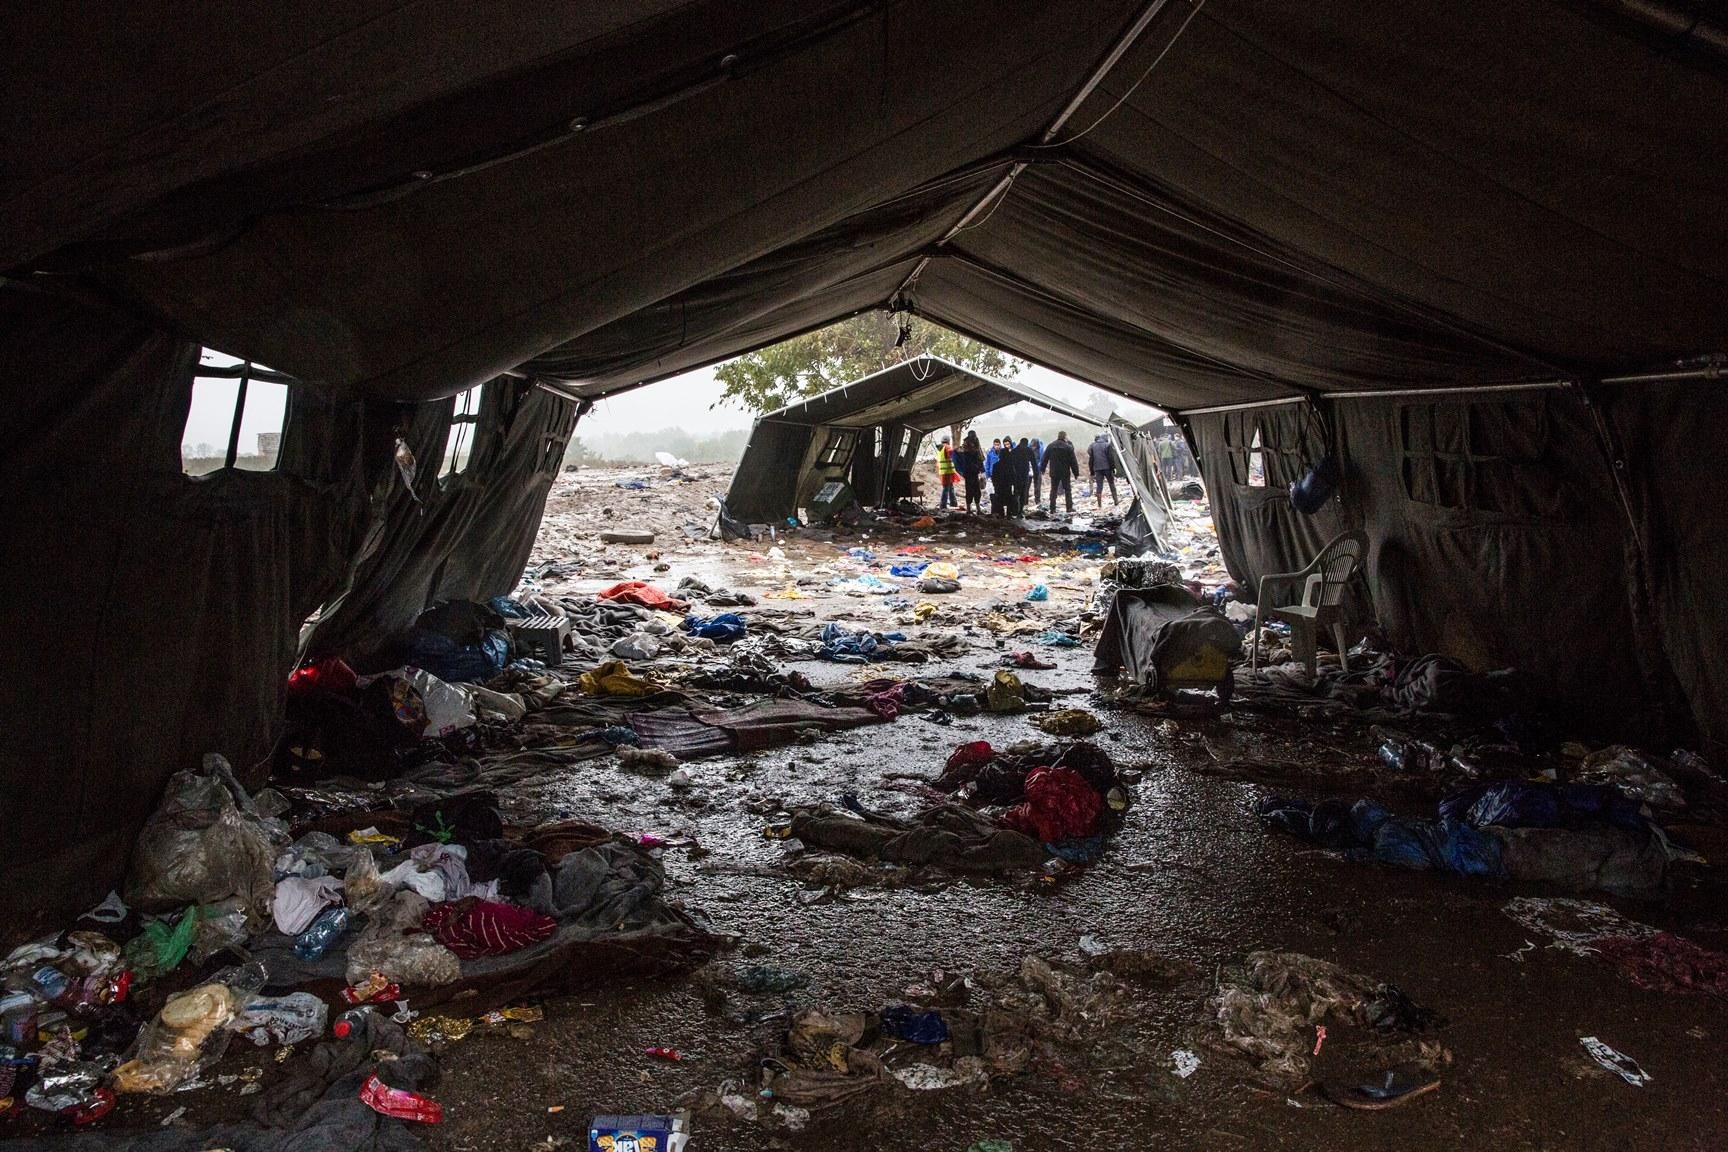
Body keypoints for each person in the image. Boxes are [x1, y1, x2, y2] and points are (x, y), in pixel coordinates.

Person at [1043, 430, 1079, 513]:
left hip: (1054, 472)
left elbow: (1045, 458)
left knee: (1053, 490)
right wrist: (1076, 473)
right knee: (1067, 490)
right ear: (1065, 437)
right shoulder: (1068, 447)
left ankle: (1052, 508)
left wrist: (1042, 469)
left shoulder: (1051, 446)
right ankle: (1069, 508)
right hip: (1065, 472)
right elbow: (1073, 461)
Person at [956, 431, 985, 514]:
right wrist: (978, 468)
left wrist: (981, 470)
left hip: (973, 472)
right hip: (970, 472)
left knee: (975, 490)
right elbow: (977, 459)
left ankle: (975, 509)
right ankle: (972, 509)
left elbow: (979, 458)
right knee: (972, 490)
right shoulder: (967, 448)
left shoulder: (971, 445)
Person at [1088, 431, 1118, 507]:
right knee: (1111, 484)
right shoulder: (1107, 445)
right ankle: (1116, 501)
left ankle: (1099, 504)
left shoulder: (1093, 446)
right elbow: (1110, 458)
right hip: (1107, 468)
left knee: (1099, 486)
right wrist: (1113, 468)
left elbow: (1091, 460)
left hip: (1097, 469)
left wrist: (1092, 471)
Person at [989, 444, 1015, 516]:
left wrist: (995, 485)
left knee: (1000, 501)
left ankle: (1001, 515)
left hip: (999, 486)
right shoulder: (1010, 465)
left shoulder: (996, 465)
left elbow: (993, 477)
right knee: (1009, 500)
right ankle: (1009, 514)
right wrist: (1013, 483)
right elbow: (1013, 476)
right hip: (1007, 486)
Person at [936, 436, 957, 509]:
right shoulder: (947, 447)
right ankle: (943, 505)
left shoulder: (940, 449)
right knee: (946, 488)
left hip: (943, 472)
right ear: (948, 441)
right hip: (947, 471)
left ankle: (953, 503)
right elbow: (952, 454)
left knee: (950, 487)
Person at [1029, 437, 1045, 508]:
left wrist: (1041, 466)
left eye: (1034, 446)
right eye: (1032, 446)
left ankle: (1037, 500)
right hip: (1029, 469)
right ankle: (1025, 501)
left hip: (1038, 469)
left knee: (1037, 486)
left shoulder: (1041, 449)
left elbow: (1043, 459)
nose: (1033, 448)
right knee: (1027, 486)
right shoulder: (1028, 448)